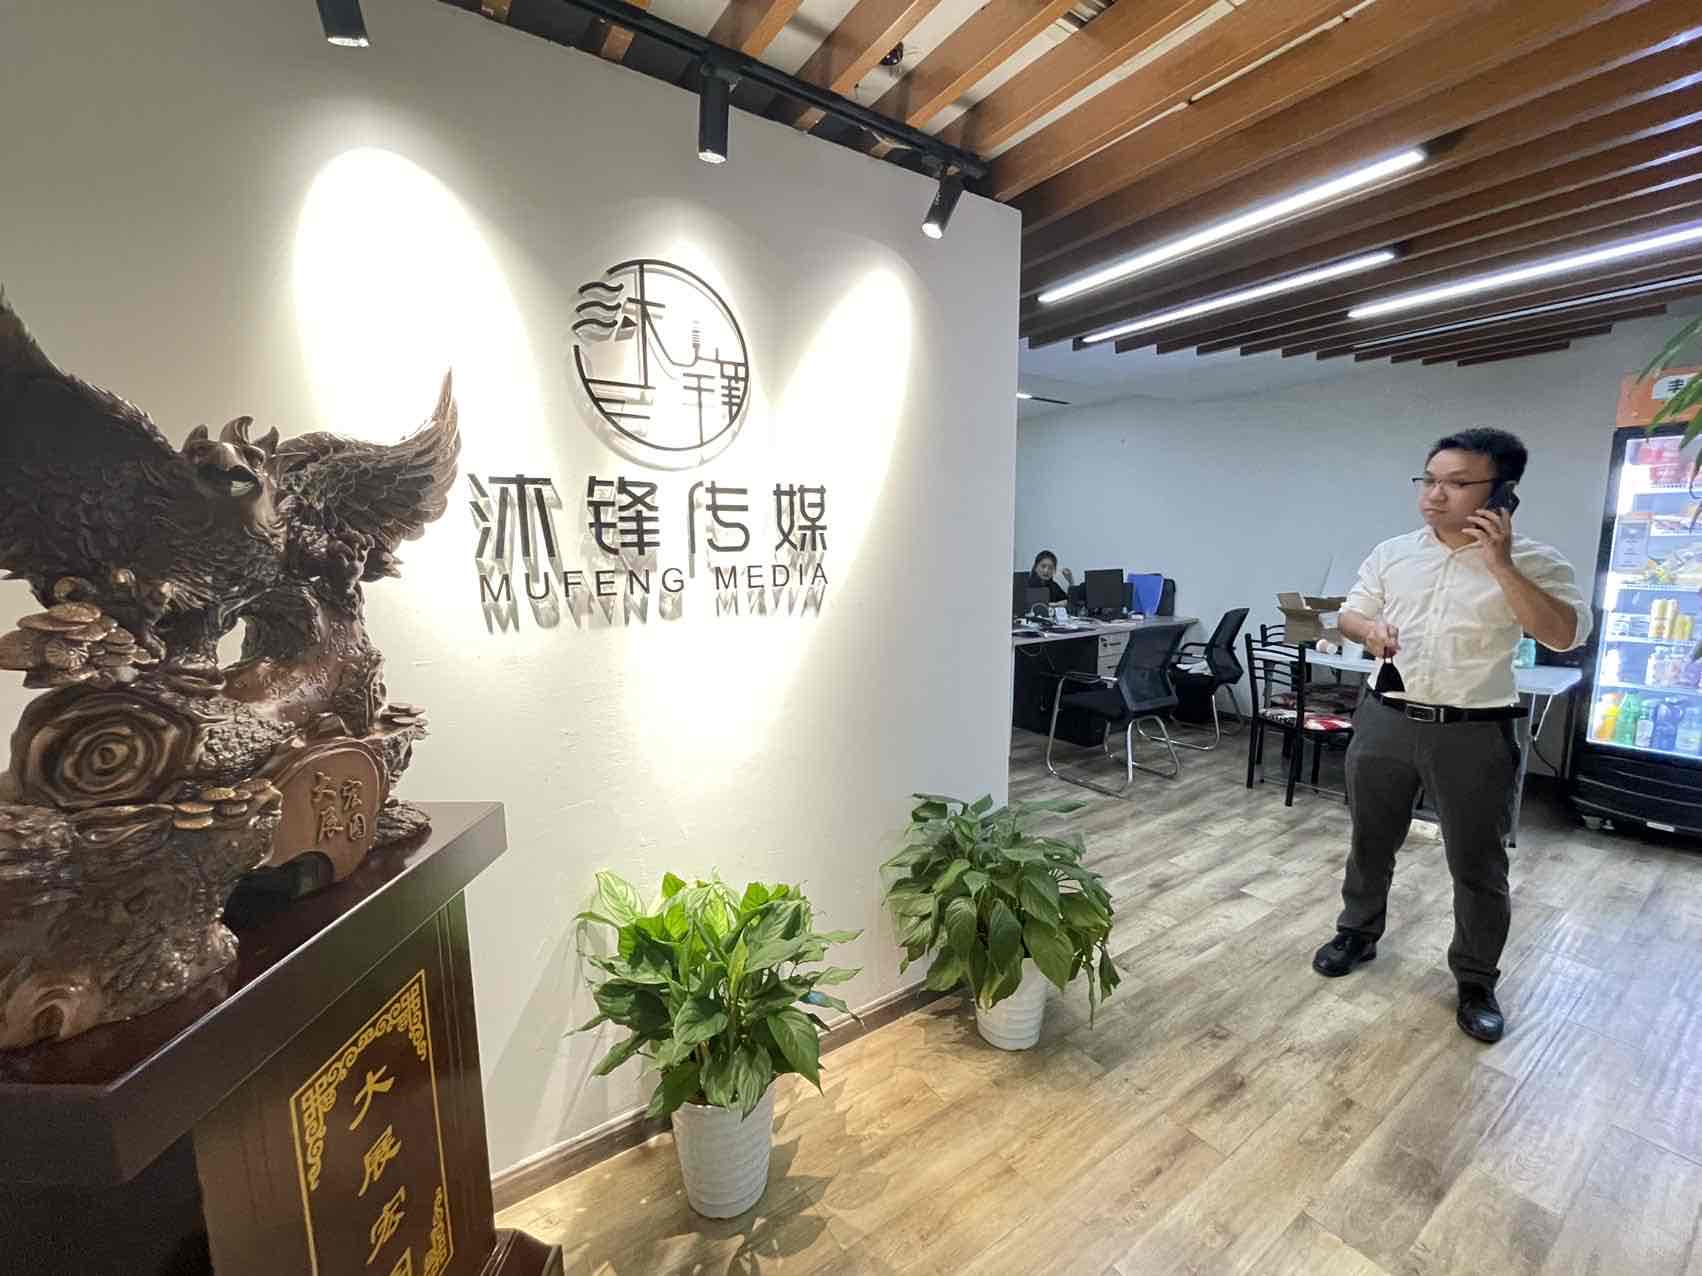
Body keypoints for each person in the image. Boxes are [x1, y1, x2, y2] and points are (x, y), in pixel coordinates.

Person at [1310, 428, 1590, 1044]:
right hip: (1384, 718)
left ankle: (1476, 979)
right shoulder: (1393, 553)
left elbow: (1564, 635)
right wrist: (1368, 630)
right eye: (1429, 480)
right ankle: (1357, 932)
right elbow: (1351, 613)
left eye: (1457, 483)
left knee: (1477, 863)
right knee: (1370, 841)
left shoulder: (1538, 562)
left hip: (1473, 732)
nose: (1434, 495)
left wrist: (1501, 565)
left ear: (1502, 493)